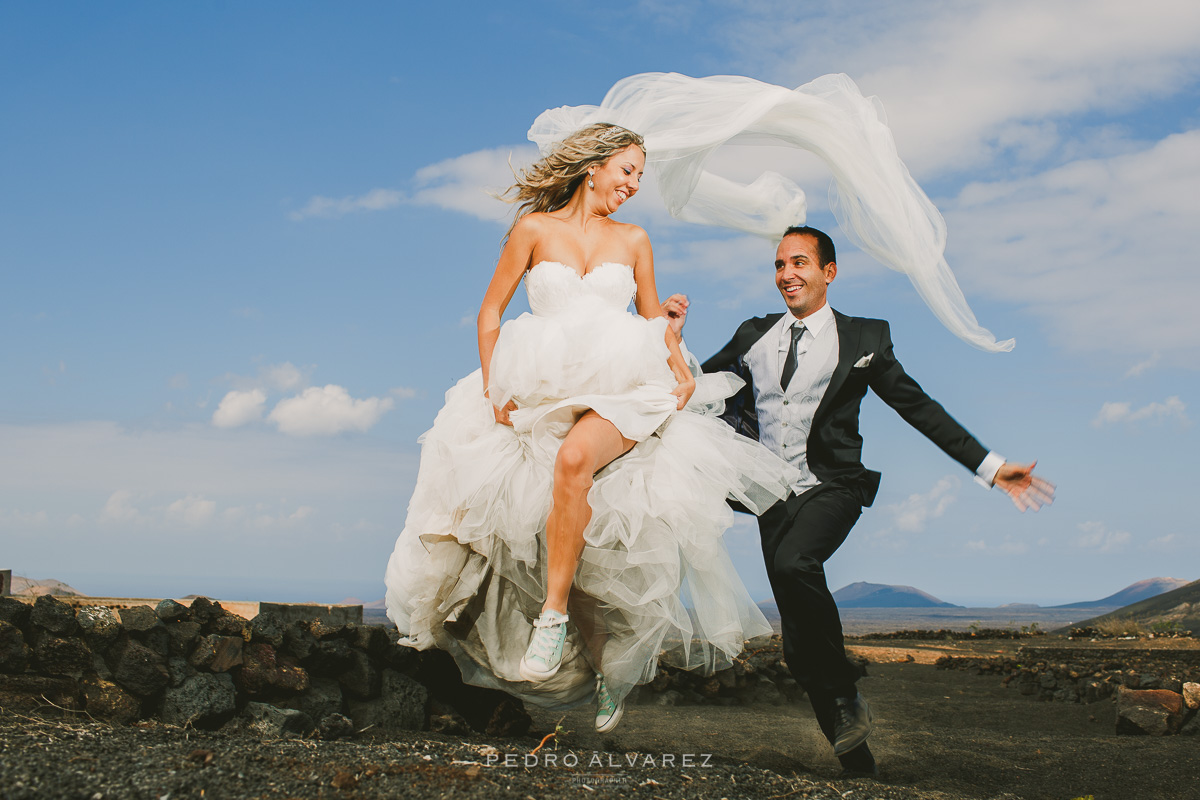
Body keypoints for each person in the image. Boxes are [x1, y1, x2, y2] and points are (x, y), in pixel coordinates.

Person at [383, 123, 799, 733]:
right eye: (627, 170)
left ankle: (549, 624)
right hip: (539, 385)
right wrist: (493, 383)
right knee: (549, 535)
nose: (633, 184)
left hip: (621, 387)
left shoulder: (634, 240)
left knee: (574, 462)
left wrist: (676, 344)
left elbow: (652, 320)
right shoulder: (534, 230)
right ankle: (608, 667)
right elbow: (492, 309)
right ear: (594, 166)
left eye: (639, 175)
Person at [667, 225, 1055, 775]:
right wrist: (672, 338)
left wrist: (990, 467)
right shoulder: (753, 334)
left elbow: (917, 407)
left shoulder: (866, 338)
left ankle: (846, 692)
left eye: (799, 263)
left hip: (833, 485)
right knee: (798, 642)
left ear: (828, 272)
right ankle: (856, 758)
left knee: (795, 561)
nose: (786, 275)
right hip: (768, 493)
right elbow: (696, 385)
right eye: (779, 265)